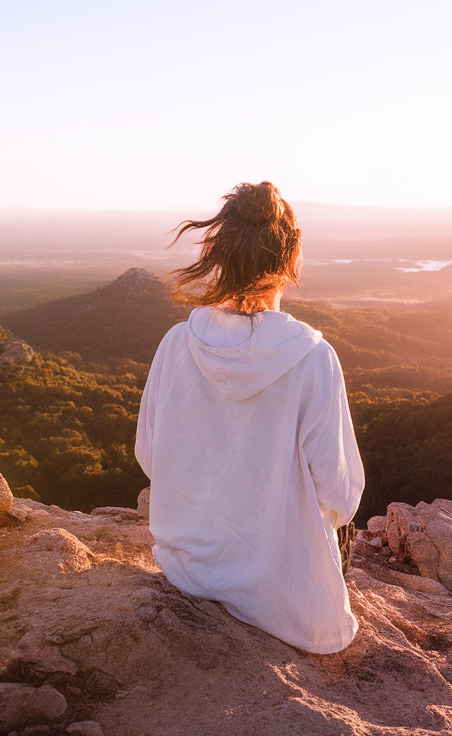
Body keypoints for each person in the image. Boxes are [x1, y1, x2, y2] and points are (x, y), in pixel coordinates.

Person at [134, 181, 365, 654]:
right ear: (291, 258)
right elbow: (340, 497)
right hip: (280, 601)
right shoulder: (313, 359)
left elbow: (149, 456)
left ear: (219, 254)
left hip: (188, 572)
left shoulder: (176, 344)